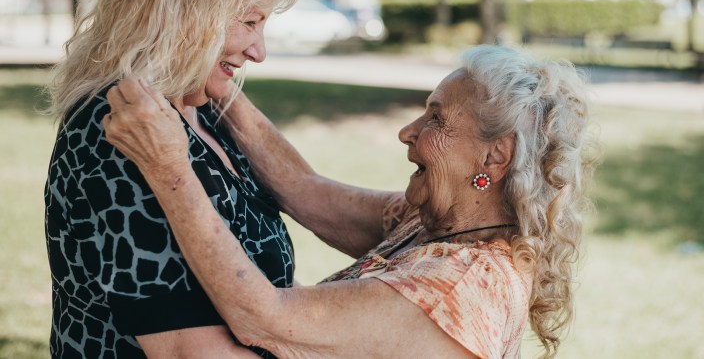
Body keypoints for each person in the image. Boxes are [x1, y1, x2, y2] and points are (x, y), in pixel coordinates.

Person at [104, 44, 598, 359]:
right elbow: (303, 188)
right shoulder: (436, 223)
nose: (408, 133)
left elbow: (264, 316)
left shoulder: (458, 286)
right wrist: (218, 81)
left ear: (495, 157)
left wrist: (167, 166)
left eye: (436, 121)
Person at [43, 0, 305, 357]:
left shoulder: (204, 114)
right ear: (187, 13)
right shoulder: (122, 129)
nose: (258, 51)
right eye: (249, 21)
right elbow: (188, 349)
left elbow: (270, 278)